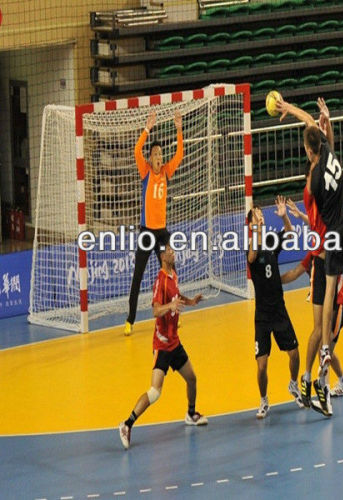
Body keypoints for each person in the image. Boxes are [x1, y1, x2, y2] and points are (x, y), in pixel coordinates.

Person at [275, 96, 343, 378]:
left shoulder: (311, 184)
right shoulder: (328, 152)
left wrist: (293, 217)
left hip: (332, 234)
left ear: (308, 151)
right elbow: (313, 126)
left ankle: (326, 347)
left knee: (328, 290)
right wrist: (295, 110)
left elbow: (313, 208)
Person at [119, 244, 206, 450]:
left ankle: (191, 414)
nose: (173, 252)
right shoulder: (160, 281)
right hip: (162, 345)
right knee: (155, 392)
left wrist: (189, 301)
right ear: (162, 256)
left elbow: (176, 296)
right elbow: (156, 311)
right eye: (170, 251)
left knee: (192, 378)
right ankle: (126, 424)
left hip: (175, 342)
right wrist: (171, 307)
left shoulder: (173, 274)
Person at [124, 110, 183, 336]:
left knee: (172, 274)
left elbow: (180, 153)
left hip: (162, 233)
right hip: (147, 233)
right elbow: (136, 150)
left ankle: (175, 316)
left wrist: (178, 128)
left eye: (161, 153)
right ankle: (130, 319)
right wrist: (147, 129)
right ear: (150, 158)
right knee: (137, 276)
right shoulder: (146, 171)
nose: (159, 156)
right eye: (156, 153)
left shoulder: (167, 171)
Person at [247, 197, 303, 419]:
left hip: (279, 309)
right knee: (261, 366)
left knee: (295, 354)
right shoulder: (251, 246)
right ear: (251, 223)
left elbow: (290, 233)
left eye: (261, 213)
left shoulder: (271, 240)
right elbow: (252, 257)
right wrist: (257, 232)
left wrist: (284, 216)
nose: (260, 215)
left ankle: (293, 385)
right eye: (255, 215)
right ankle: (263, 400)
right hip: (262, 315)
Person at [281, 250, 343, 417]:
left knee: (324, 350)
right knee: (325, 348)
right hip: (328, 308)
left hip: (339, 308)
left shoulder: (333, 252)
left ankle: (325, 399)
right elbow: (294, 272)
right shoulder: (313, 254)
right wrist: (273, 281)